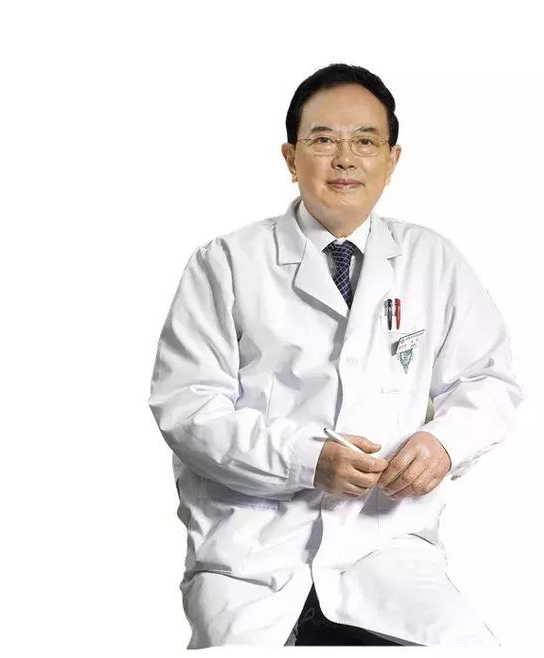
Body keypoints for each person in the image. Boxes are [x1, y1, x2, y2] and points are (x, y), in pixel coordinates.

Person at [148, 63, 524, 648]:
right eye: (323, 140)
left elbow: (489, 381)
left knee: (468, 648)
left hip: (385, 546)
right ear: (291, 157)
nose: (345, 159)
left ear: (391, 160)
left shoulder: (432, 260)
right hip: (252, 555)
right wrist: (305, 461)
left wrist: (443, 443)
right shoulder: (224, 263)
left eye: (365, 142)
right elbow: (189, 409)